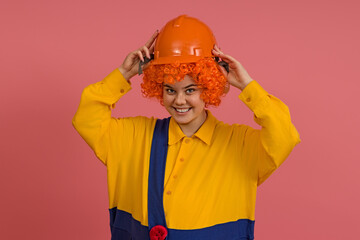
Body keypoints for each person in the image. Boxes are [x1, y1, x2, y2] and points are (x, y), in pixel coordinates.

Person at [72, 15, 301, 240]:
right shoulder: (132, 136)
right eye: (170, 90)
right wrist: (123, 74)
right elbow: (87, 118)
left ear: (209, 88)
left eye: (190, 90)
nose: (179, 101)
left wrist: (247, 86)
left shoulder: (241, 144)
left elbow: (284, 135)